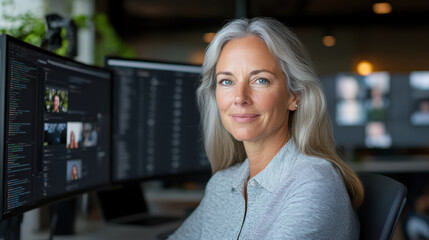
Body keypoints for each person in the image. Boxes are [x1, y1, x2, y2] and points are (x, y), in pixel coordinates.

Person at [168, 17, 364, 239]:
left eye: (260, 80)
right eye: (226, 81)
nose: (240, 98)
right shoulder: (223, 184)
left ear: (294, 96)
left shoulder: (313, 183)